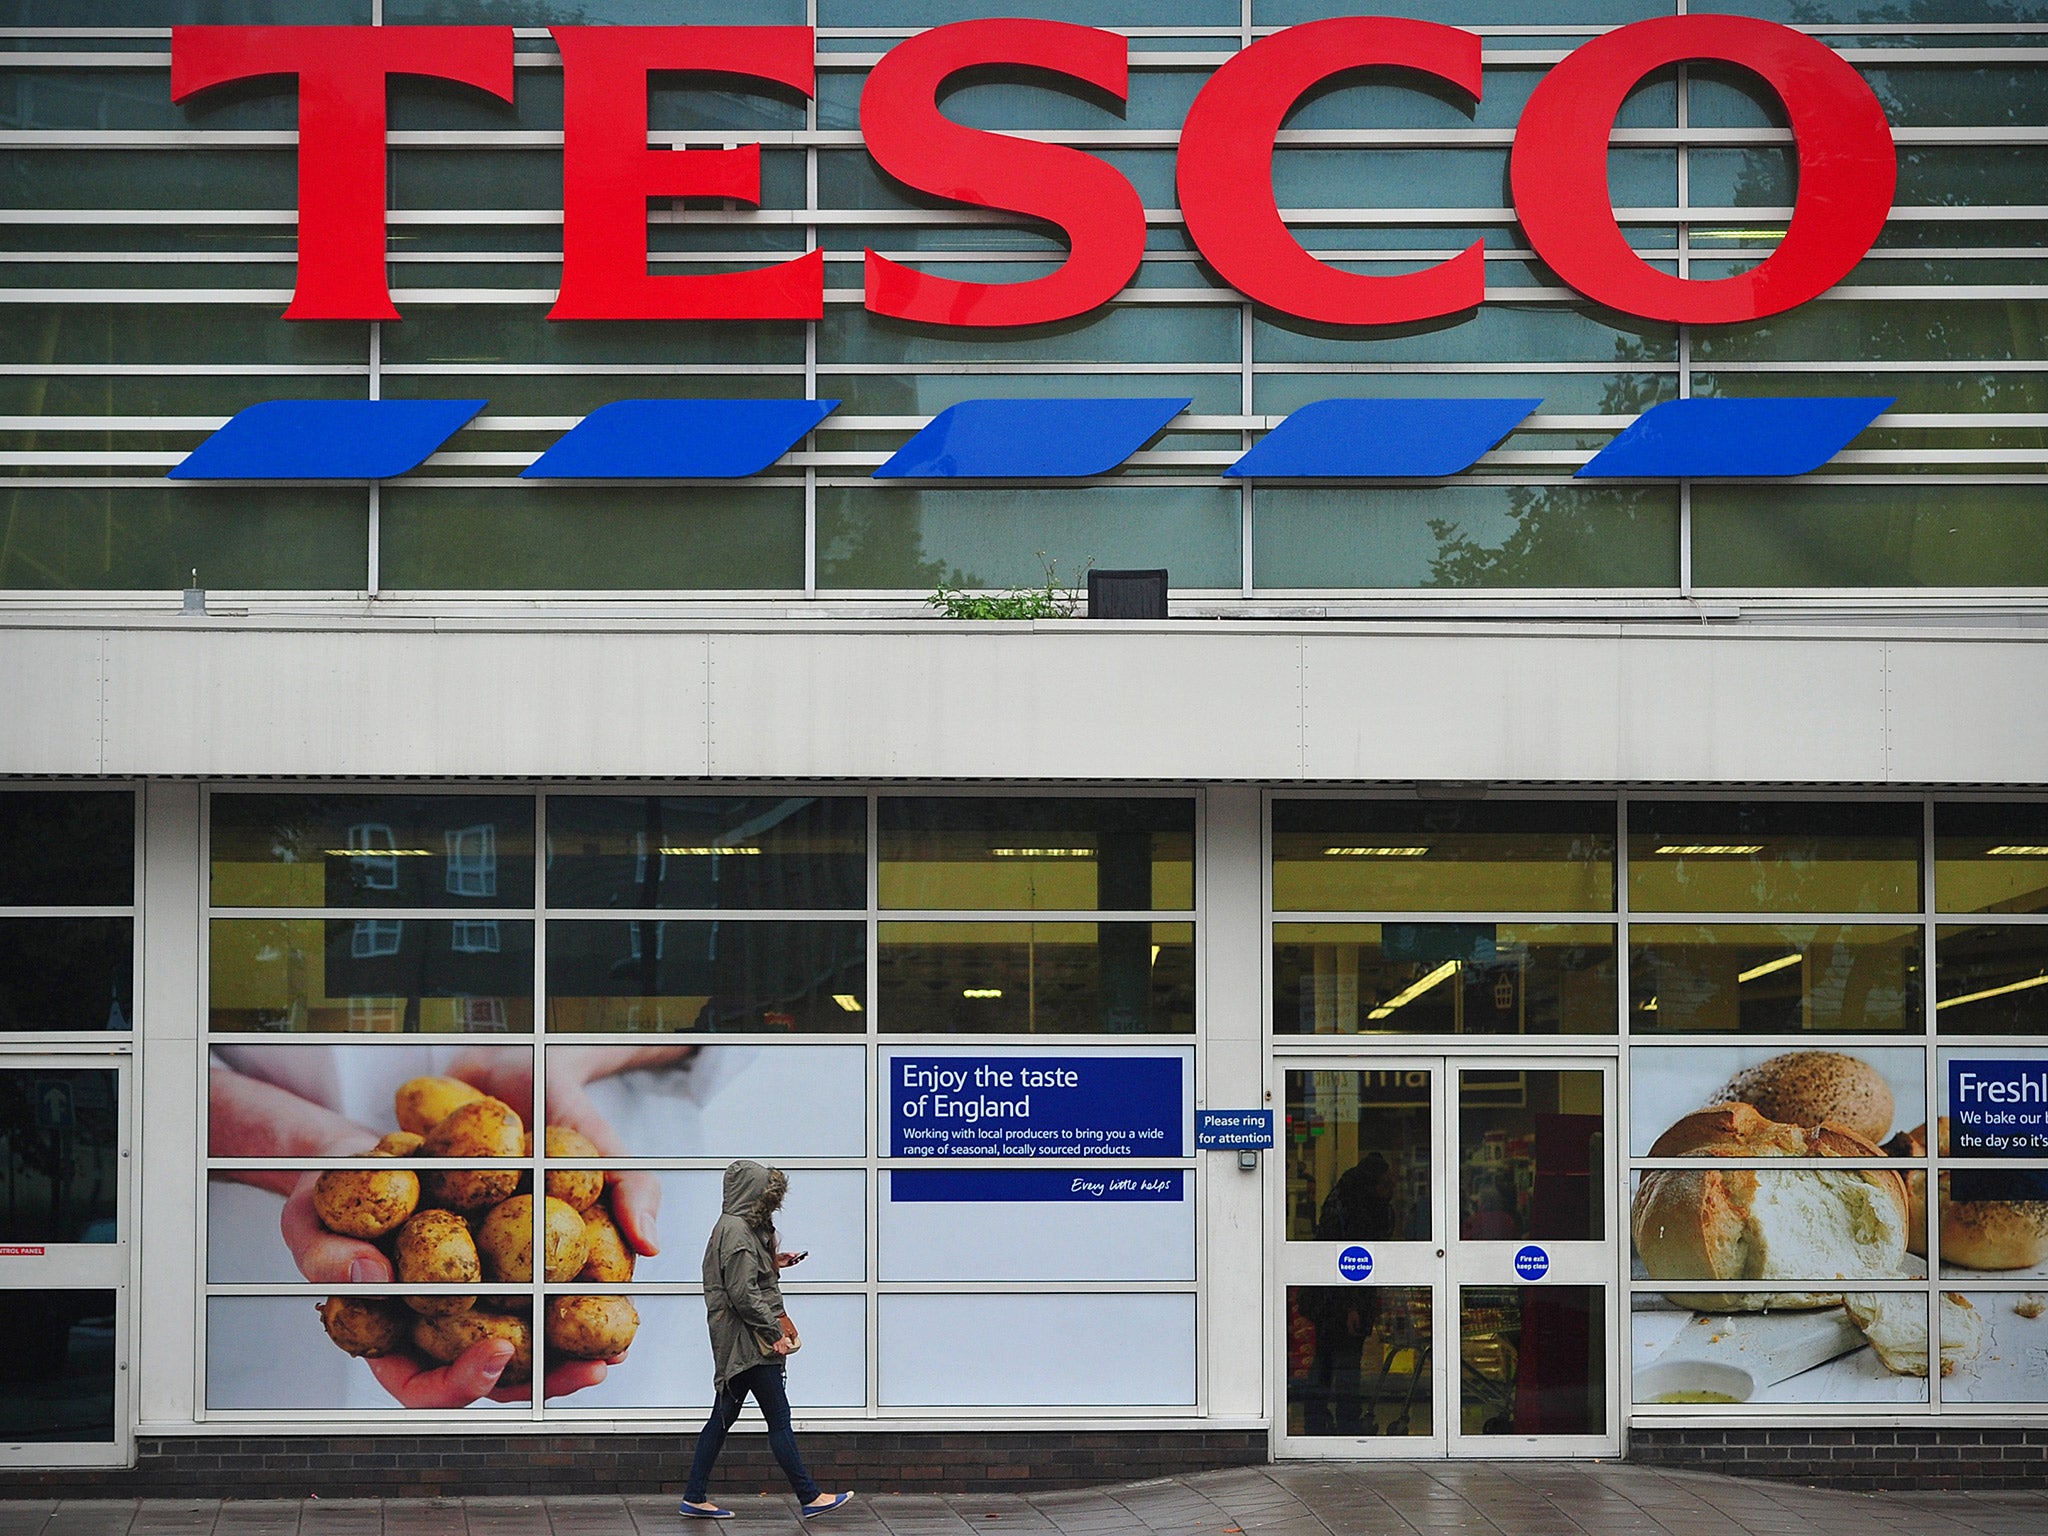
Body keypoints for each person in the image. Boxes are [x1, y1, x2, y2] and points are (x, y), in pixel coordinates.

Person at [680, 1161, 851, 1521]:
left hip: (740, 1341)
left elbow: (742, 1278)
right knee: (779, 1419)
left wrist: (774, 1262)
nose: (769, 1206)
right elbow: (743, 1294)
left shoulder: (732, 1227)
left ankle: (694, 1496)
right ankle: (810, 1496)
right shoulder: (739, 1234)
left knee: (722, 1419)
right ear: (752, 1194)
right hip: (751, 1344)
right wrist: (774, 1334)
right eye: (766, 1197)